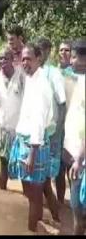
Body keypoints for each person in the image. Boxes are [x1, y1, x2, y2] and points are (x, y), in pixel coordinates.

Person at [8, 43, 59, 232]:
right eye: (23, 59)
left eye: (28, 58)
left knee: (34, 196)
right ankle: (55, 219)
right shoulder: (32, 78)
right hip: (27, 141)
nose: (25, 62)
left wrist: (32, 153)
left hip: (33, 144)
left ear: (39, 59)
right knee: (39, 188)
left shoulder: (41, 86)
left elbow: (38, 121)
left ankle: (31, 229)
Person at [0, 47, 25, 190]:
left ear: (12, 60)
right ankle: (3, 194)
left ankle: (28, 197)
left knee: (23, 164)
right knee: (3, 164)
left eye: (5, 58)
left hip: (19, 129)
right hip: (3, 129)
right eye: (0, 58)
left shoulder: (21, 76)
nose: (2, 61)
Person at [37, 37, 67, 205]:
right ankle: (46, 206)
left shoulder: (54, 74)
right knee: (40, 172)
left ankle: (59, 206)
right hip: (38, 132)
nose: (39, 54)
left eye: (42, 50)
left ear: (48, 52)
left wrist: (58, 131)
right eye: (37, 50)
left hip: (52, 131)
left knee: (53, 172)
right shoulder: (34, 72)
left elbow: (62, 104)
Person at [65, 71, 85, 235]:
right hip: (77, 154)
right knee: (77, 207)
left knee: (77, 207)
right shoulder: (80, 81)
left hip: (81, 159)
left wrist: (79, 160)